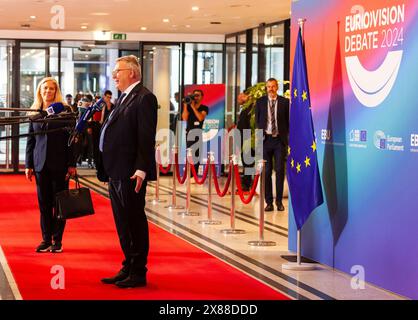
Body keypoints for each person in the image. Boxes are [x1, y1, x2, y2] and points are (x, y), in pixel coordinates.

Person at [100, 55, 158, 288]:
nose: (114, 75)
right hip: (116, 170)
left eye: (118, 71)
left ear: (132, 73)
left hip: (131, 173)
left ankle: (138, 271)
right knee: (122, 222)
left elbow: (145, 138)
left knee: (133, 220)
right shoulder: (123, 97)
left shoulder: (144, 98)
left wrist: (141, 169)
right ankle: (128, 265)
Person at [25, 77, 77, 253]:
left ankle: (57, 240)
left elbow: (72, 140)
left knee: (59, 204)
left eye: (51, 89)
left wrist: (72, 164)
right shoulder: (35, 112)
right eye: (45, 88)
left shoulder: (65, 111)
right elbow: (31, 140)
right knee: (44, 205)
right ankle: (46, 239)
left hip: (60, 165)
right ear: (40, 90)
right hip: (40, 165)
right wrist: (28, 164)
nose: (48, 91)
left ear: (56, 91)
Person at [255, 78, 289, 212]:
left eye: (273, 86)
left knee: (280, 171)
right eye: (268, 86)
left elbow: (288, 122)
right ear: (266, 88)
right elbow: (258, 122)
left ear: (277, 87)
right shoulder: (260, 102)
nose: (271, 89)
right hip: (265, 141)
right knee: (267, 172)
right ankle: (268, 202)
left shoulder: (285, 102)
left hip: (279, 141)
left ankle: (279, 201)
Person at [181, 89, 208, 177]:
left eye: (198, 95)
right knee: (189, 153)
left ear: (202, 97)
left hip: (198, 132)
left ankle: (194, 174)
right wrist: (185, 105)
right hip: (189, 132)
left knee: (197, 154)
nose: (195, 97)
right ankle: (189, 174)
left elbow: (200, 118)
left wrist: (193, 107)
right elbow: (184, 118)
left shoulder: (204, 108)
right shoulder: (188, 107)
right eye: (194, 95)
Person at [236, 92, 253, 191]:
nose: (239, 97)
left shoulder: (251, 108)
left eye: (241, 95)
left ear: (248, 96)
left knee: (248, 162)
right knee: (246, 162)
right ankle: (246, 183)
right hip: (243, 138)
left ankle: (247, 184)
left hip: (248, 138)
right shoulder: (245, 108)